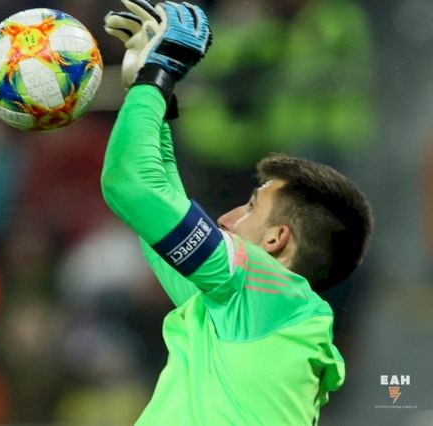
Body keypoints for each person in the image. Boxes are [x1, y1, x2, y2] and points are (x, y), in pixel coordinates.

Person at [100, 1, 373, 424]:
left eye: (250, 207)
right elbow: (157, 204)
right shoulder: (245, 310)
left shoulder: (260, 288)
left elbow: (130, 184)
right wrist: (156, 94)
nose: (225, 219)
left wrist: (156, 78)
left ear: (277, 239)